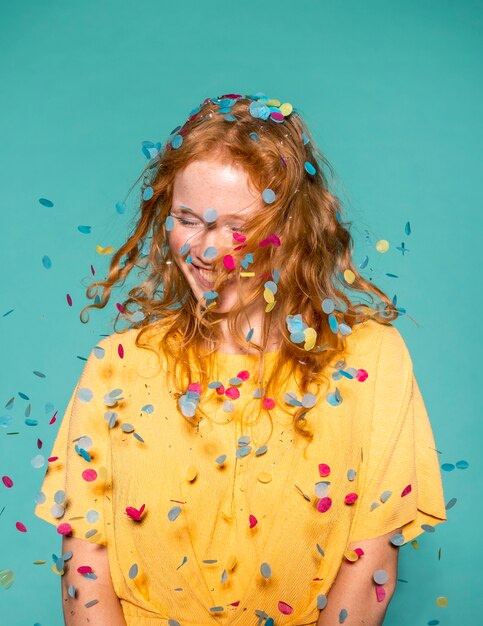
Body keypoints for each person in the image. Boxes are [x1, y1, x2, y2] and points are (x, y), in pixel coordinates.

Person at [34, 92, 447, 626]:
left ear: (293, 228)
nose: (208, 251)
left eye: (239, 227)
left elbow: (369, 569)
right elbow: (84, 570)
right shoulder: (117, 363)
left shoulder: (373, 360)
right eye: (189, 218)